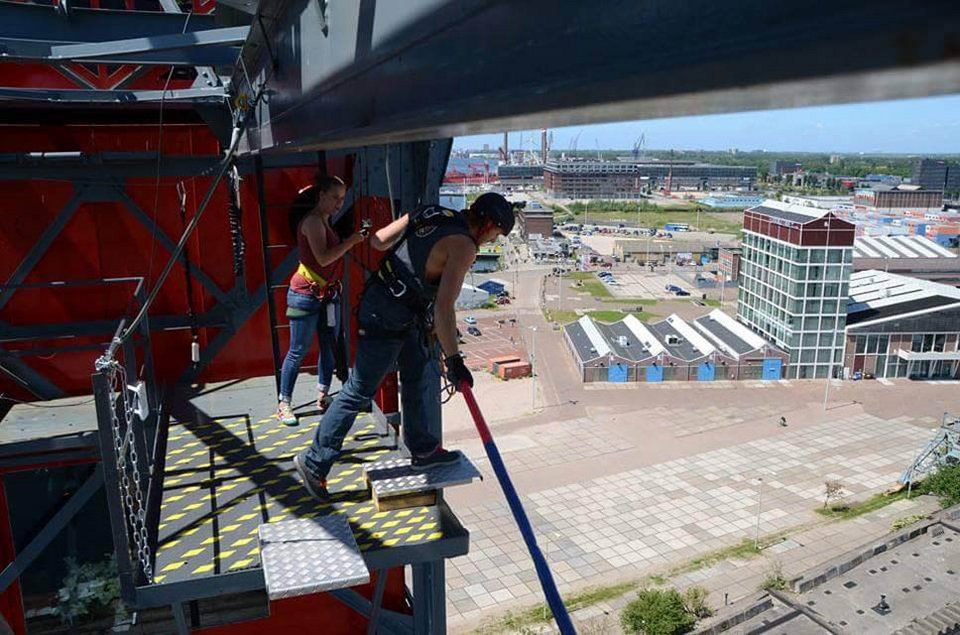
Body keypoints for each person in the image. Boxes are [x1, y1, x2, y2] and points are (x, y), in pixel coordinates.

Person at [293, 193, 515, 499]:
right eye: (496, 234)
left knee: (418, 368)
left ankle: (423, 449)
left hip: (389, 306)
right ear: (489, 224)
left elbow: (379, 242)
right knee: (359, 389)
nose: (492, 241)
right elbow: (444, 308)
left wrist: (417, 260)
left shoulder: (431, 213)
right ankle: (314, 462)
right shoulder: (465, 245)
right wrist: (455, 361)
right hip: (387, 316)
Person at [275, 175, 367, 426]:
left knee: (327, 346)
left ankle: (321, 396)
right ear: (321, 196)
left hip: (324, 293)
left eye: (342, 199)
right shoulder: (314, 222)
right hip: (308, 293)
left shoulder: (322, 220)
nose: (339, 204)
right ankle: (284, 403)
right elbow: (324, 259)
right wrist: (350, 242)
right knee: (299, 350)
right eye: (335, 198)